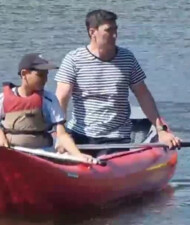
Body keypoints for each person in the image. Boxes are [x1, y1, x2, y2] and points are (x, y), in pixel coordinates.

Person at [55, 9, 180, 148]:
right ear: (92, 32)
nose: (114, 35)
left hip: (116, 138)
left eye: (115, 29)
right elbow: (61, 99)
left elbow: (143, 95)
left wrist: (161, 130)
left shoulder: (127, 58)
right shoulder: (73, 59)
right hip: (79, 135)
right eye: (109, 30)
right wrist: (61, 134)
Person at [0, 53, 93, 163]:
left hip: (42, 154)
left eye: (46, 75)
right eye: (40, 75)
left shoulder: (49, 99)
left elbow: (62, 134)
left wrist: (78, 155)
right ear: (24, 74)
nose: (45, 80)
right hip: (12, 151)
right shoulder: (4, 98)